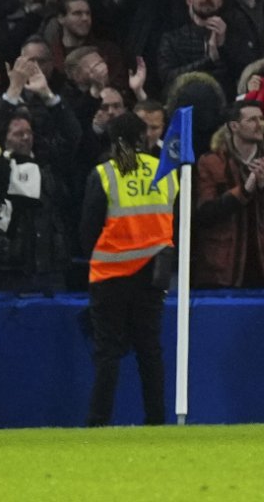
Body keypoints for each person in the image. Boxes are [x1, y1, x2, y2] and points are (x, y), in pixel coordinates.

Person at [79, 110, 176, 425]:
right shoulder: (166, 170)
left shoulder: (104, 174)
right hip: (154, 274)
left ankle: (98, 420)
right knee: (150, 351)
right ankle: (156, 420)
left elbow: (88, 230)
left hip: (111, 274)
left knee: (108, 352)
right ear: (143, 136)